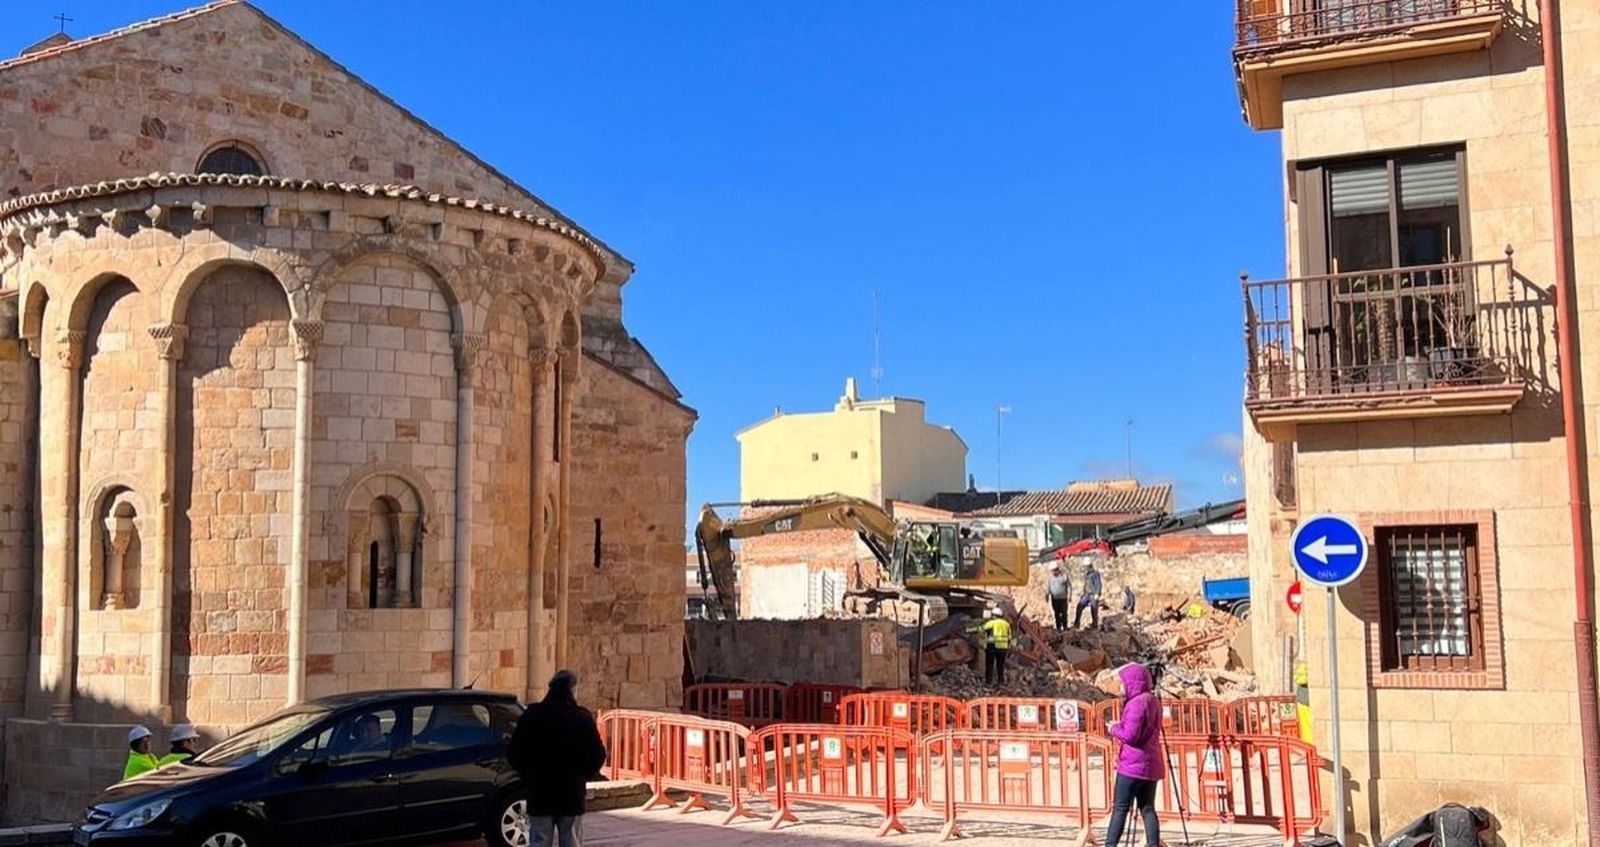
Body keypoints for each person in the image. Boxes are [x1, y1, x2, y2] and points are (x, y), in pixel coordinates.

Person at [510, 669, 607, 847]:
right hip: (571, 791)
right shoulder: (581, 718)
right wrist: (583, 775)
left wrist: (528, 776)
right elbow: (597, 755)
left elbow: (515, 753)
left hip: (539, 791)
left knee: (539, 840)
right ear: (572, 690)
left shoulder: (532, 716)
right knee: (571, 840)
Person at [1105, 663, 1164, 847]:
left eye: (1122, 683)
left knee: (1120, 808)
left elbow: (1130, 735)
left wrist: (1114, 728)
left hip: (1132, 765)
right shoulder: (1153, 700)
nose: (1121, 687)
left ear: (1132, 683)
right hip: (1151, 764)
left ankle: (1110, 844)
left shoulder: (1136, 704)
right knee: (1148, 808)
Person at [970, 608, 1012, 686]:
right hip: (1003, 647)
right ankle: (1000, 681)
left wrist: (969, 630)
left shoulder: (991, 623)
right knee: (1000, 665)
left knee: (990, 664)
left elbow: (981, 629)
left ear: (993, 615)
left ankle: (989, 682)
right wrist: (1007, 645)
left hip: (992, 646)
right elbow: (1009, 637)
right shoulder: (1006, 624)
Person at [1074, 561, 1103, 630]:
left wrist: (1097, 593)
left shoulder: (1095, 574)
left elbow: (1098, 584)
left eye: (1086, 566)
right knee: (1080, 606)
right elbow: (1086, 585)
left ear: (1090, 566)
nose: (1085, 568)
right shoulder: (1086, 574)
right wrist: (1082, 592)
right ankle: (1077, 623)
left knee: (1094, 609)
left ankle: (1095, 625)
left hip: (1093, 594)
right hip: (1087, 594)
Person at [1046, 565, 1072, 630]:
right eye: (1052, 571)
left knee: (1064, 613)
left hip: (1063, 599)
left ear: (1057, 569)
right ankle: (1058, 627)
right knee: (1056, 613)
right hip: (1054, 599)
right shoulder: (1050, 578)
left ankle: (1065, 627)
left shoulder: (1064, 577)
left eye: (1054, 571)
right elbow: (1048, 587)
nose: (1053, 572)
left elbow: (1069, 586)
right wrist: (1047, 595)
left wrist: (1069, 595)